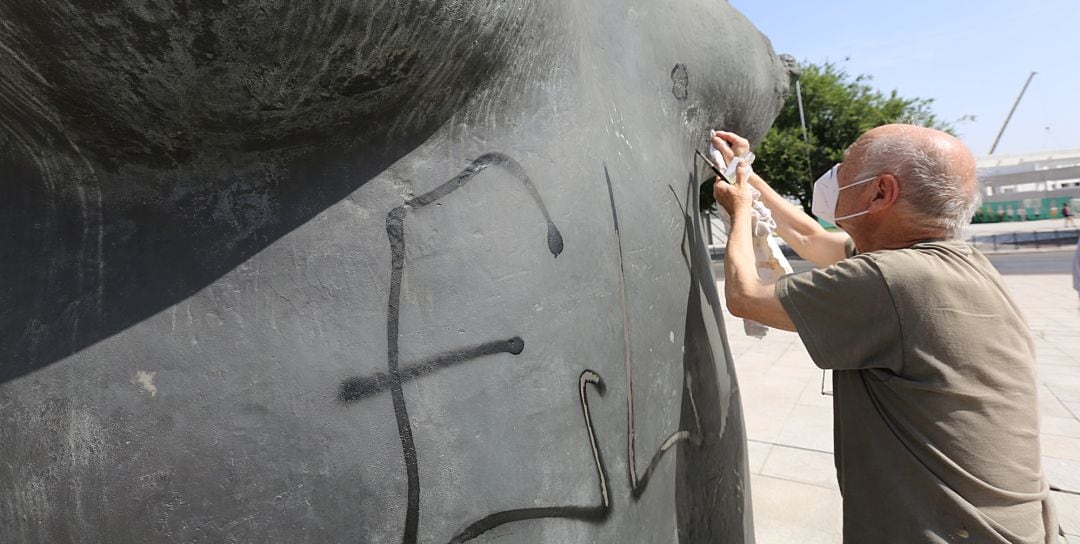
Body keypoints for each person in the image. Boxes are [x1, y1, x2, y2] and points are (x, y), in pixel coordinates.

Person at [710, 125, 1060, 543]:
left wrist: (740, 210)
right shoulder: (946, 263)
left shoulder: (894, 279)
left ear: (880, 192)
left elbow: (746, 296)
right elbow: (812, 238)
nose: (835, 176)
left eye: (847, 167)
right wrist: (743, 170)